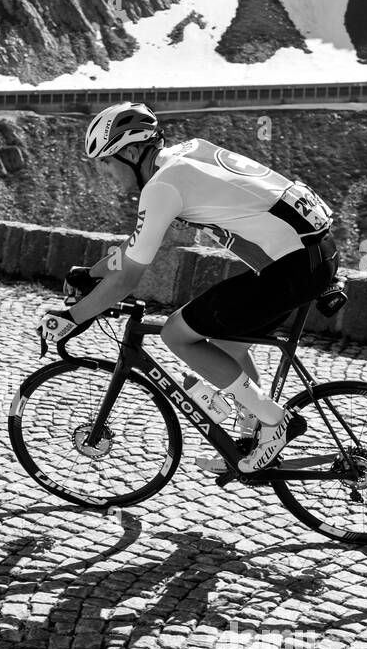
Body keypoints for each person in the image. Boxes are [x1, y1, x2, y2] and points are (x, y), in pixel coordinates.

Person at [41, 101, 340, 473]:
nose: (104, 172)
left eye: (107, 160)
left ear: (133, 152)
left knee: (178, 333)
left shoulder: (162, 188)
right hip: (317, 252)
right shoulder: (190, 152)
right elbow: (134, 248)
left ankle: (275, 420)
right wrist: (93, 273)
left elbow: (130, 276)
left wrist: (74, 316)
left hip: (292, 267)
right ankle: (253, 431)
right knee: (226, 347)